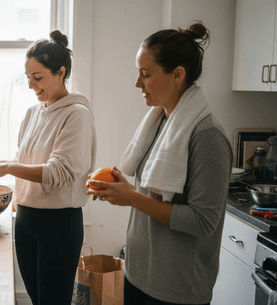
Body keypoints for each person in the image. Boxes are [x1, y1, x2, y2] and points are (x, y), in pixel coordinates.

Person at [87, 21, 232, 305]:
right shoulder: (160, 122)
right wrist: (124, 190)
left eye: (145, 74)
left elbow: (203, 223)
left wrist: (133, 199)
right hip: (139, 275)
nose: (137, 83)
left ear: (177, 74)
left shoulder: (208, 137)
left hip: (176, 290)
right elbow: (155, 193)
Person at [0, 30, 97, 305]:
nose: (31, 85)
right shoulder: (33, 112)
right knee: (37, 300)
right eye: (28, 77)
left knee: (53, 301)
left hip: (58, 224)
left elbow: (58, 173)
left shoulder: (78, 114)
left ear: (61, 72)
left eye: (38, 78)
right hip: (27, 218)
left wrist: (8, 167)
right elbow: (29, 163)